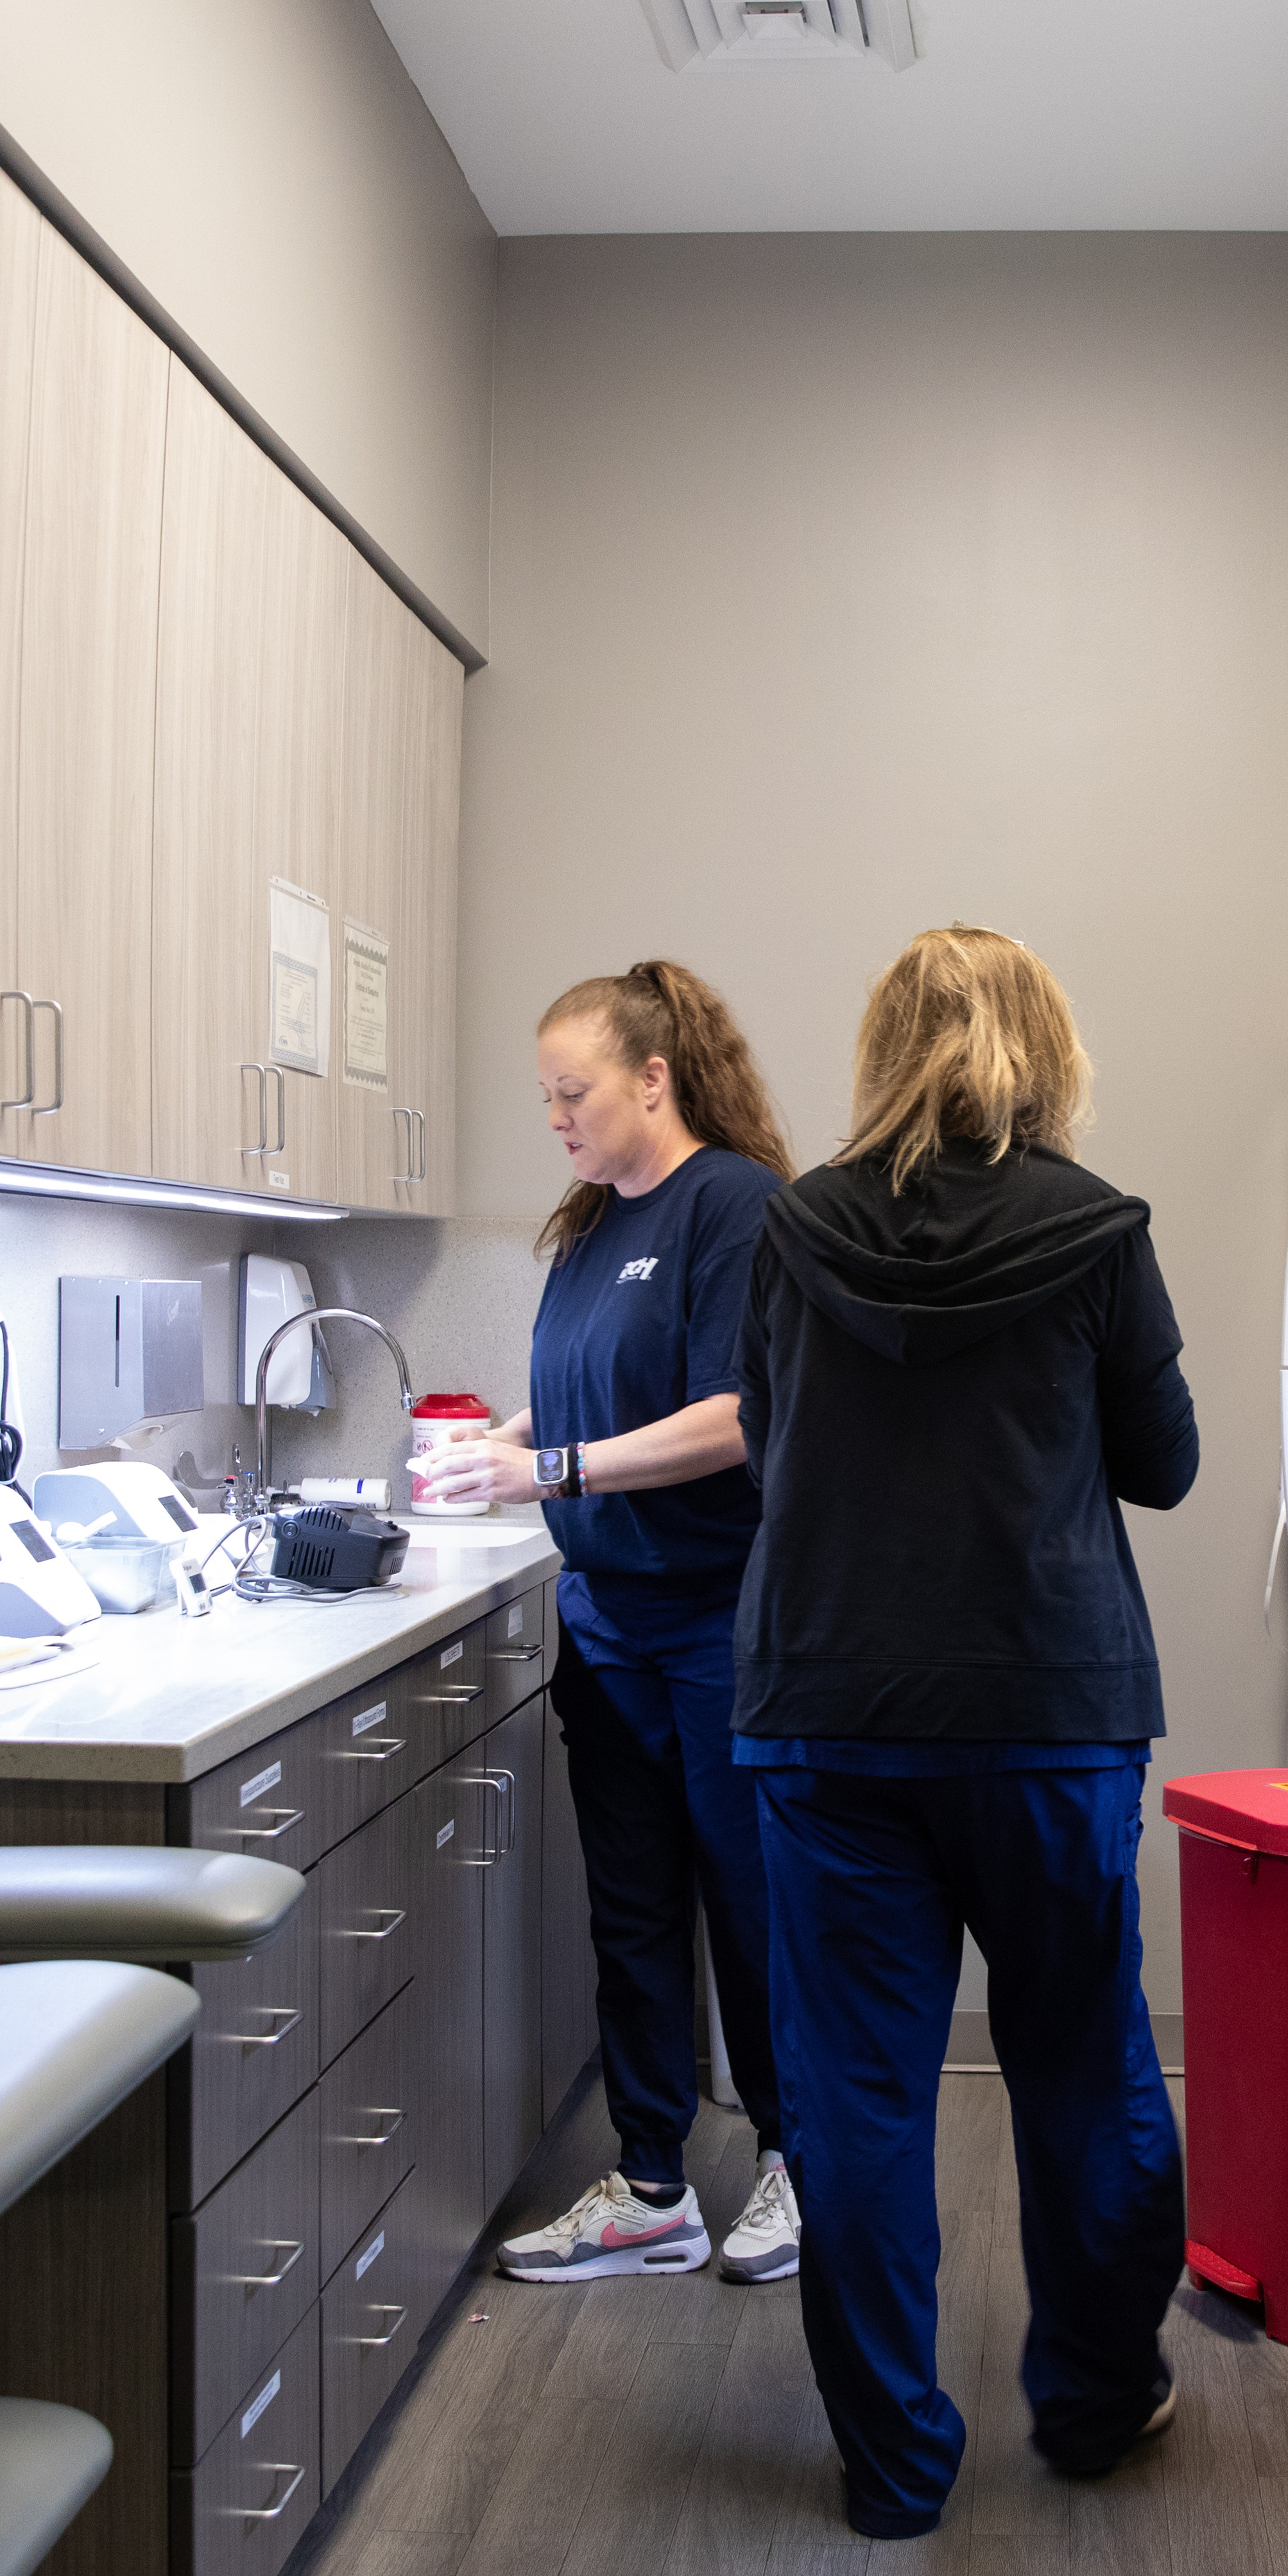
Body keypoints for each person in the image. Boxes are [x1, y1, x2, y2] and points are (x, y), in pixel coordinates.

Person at [729, 926, 1200, 2539]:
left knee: (856, 2095)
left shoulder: (796, 1230)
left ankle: (893, 2467)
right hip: (1049, 1715)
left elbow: (766, 1447)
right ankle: (1088, 2399)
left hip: (831, 1716)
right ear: (1046, 1048)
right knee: (1085, 2063)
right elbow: (1166, 1462)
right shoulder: (1097, 1228)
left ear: (882, 1050)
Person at [413, 962, 805, 2286]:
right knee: (632, 1910)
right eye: (545, 1097)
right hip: (609, 1622)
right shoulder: (588, 1228)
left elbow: (735, 1414)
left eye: (572, 1090)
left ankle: (797, 2165)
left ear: (654, 1077)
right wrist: (503, 1441)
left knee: (752, 1905)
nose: (556, 1115)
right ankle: (652, 2187)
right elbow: (595, 1393)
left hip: (719, 1620)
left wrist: (552, 1472)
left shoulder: (736, 1209)